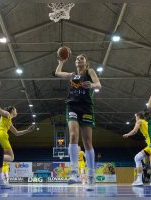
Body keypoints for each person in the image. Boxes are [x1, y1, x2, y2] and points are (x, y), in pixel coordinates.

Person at [55, 53, 101, 191]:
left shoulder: (90, 71)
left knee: (87, 142)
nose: (79, 60)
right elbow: (57, 73)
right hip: (72, 105)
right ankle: (74, 172)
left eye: (82, 58)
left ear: (86, 62)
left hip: (86, 107)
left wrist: (92, 85)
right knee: (73, 135)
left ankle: (91, 177)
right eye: (77, 58)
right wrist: (61, 62)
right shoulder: (72, 75)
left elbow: (99, 85)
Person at [0, 106, 35, 187]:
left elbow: (16, 133)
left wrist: (28, 130)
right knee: (11, 157)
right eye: (16, 110)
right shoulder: (8, 114)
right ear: (12, 110)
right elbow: (2, 112)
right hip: (2, 135)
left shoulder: (8, 121)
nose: (17, 112)